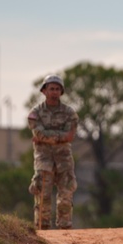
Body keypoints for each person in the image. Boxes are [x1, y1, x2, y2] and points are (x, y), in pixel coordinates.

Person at [27, 74, 79, 230]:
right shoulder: (35, 113)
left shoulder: (70, 113)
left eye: (57, 89)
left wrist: (45, 137)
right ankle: (43, 231)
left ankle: (65, 229)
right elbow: (38, 134)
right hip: (44, 159)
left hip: (63, 158)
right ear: (44, 91)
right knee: (43, 195)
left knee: (65, 196)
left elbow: (70, 136)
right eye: (51, 89)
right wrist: (58, 137)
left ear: (61, 92)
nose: (54, 92)